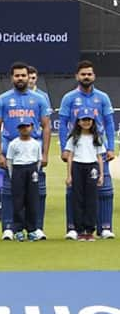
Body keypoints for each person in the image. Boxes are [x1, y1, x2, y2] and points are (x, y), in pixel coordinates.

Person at [0, 62, 51, 241]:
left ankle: (36, 227)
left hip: (33, 150)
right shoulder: (3, 99)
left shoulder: (39, 99)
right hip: (11, 149)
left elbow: (47, 126)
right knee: (9, 191)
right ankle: (9, 227)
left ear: (28, 77)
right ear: (12, 78)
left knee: (36, 191)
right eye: (17, 76)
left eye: (23, 75)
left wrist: (45, 154)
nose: (20, 79)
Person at [58, 60, 115, 240]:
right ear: (77, 76)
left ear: (94, 76)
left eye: (89, 74)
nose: (86, 77)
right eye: (83, 74)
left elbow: (109, 123)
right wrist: (63, 148)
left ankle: (104, 227)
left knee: (104, 189)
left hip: (97, 148)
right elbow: (62, 126)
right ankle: (73, 228)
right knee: (74, 190)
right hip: (77, 150)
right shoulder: (69, 98)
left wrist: (111, 147)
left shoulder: (102, 97)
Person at [64, 108, 106, 242]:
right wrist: (69, 175)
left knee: (92, 199)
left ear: (93, 121)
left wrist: (101, 175)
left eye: (89, 120)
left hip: (92, 167)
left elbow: (99, 157)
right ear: (79, 122)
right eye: (84, 120)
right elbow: (70, 156)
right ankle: (80, 230)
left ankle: (90, 230)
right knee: (78, 199)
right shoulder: (74, 138)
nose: (86, 122)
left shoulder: (96, 137)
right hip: (77, 166)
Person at [25, 65, 54, 233]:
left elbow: (46, 124)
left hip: (35, 145)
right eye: (29, 77)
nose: (30, 80)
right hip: (18, 145)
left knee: (37, 181)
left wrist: (45, 150)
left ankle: (36, 222)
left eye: (33, 78)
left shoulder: (42, 96)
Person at [5, 121, 43, 242]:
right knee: (18, 200)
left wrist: (34, 172)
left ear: (32, 127)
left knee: (32, 200)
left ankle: (32, 229)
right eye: (22, 127)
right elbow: (9, 161)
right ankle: (18, 229)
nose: (25, 129)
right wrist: (13, 175)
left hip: (31, 169)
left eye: (27, 126)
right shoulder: (13, 144)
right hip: (18, 169)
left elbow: (38, 161)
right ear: (18, 129)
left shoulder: (36, 143)